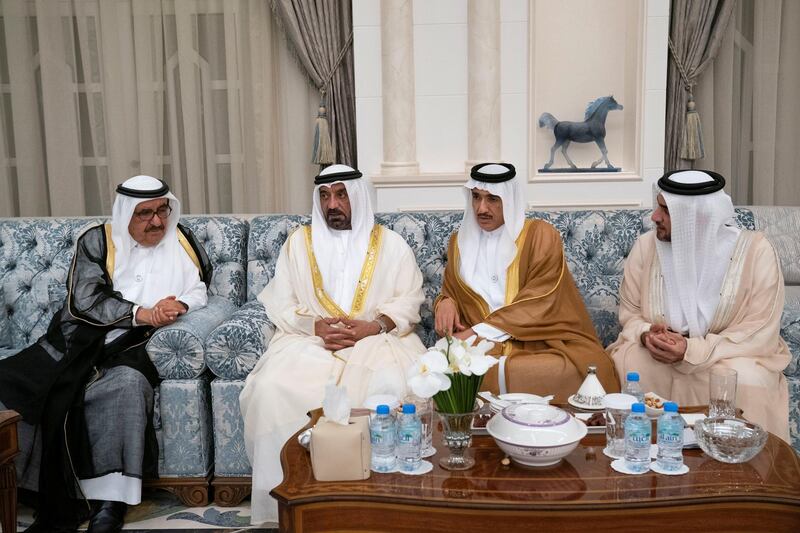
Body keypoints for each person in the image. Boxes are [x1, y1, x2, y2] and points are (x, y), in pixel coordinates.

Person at [0, 175, 212, 533]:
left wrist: (179, 303)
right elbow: (84, 300)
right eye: (145, 214)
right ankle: (24, 486)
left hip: (133, 347)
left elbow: (200, 288)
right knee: (10, 383)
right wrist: (142, 312)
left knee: (126, 386)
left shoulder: (182, 240)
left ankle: (110, 503)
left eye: (162, 210)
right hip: (78, 338)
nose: (157, 221)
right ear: (125, 213)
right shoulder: (98, 241)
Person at [239, 164, 427, 524]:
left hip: (377, 341)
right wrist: (314, 326)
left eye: (341, 194)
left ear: (356, 196)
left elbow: (410, 300)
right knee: (271, 388)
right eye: (325, 196)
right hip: (310, 342)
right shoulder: (298, 243)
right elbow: (279, 301)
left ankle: (384, 508)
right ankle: (295, 504)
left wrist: (373, 326)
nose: (332, 204)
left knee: (394, 385)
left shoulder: (391, 244)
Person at [607, 170, 790, 441]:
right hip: (658, 356)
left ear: (697, 218)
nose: (654, 217)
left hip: (726, 354)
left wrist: (691, 350)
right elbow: (630, 313)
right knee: (627, 363)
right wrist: (647, 335)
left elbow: (759, 329)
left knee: (748, 379)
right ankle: (642, 457)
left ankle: (746, 472)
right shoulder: (646, 247)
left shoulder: (756, 251)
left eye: (665, 210)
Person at [434, 163, 619, 401]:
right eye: (476, 197)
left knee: (584, 368)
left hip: (540, 339)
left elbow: (539, 302)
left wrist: (475, 332)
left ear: (509, 200)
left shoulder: (541, 235)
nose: (482, 208)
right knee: (438, 366)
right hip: (477, 345)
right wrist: (445, 301)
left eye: (493, 199)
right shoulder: (459, 243)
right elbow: (452, 289)